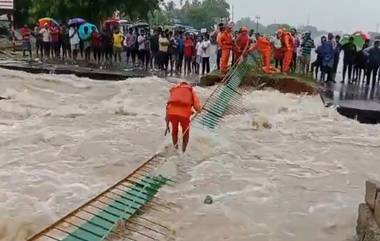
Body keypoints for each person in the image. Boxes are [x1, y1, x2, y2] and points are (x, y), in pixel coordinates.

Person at [166, 81, 202, 153]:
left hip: (171, 113)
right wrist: (199, 110)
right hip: (184, 115)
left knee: (174, 130)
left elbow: (170, 103)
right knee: (185, 132)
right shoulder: (190, 90)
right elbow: (197, 106)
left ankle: (175, 148)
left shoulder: (175, 89)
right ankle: (183, 150)